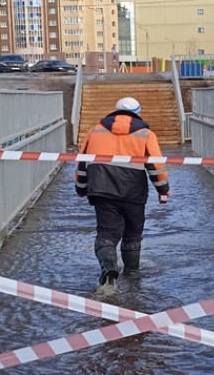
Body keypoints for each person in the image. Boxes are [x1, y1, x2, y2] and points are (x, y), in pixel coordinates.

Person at [75, 97, 170, 285]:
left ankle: (109, 267)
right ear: (138, 112)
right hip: (133, 190)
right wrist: (163, 190)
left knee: (106, 233)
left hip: (101, 189)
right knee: (133, 233)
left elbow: (82, 162)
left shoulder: (95, 131)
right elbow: (156, 165)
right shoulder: (145, 134)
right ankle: (133, 277)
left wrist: (81, 188)